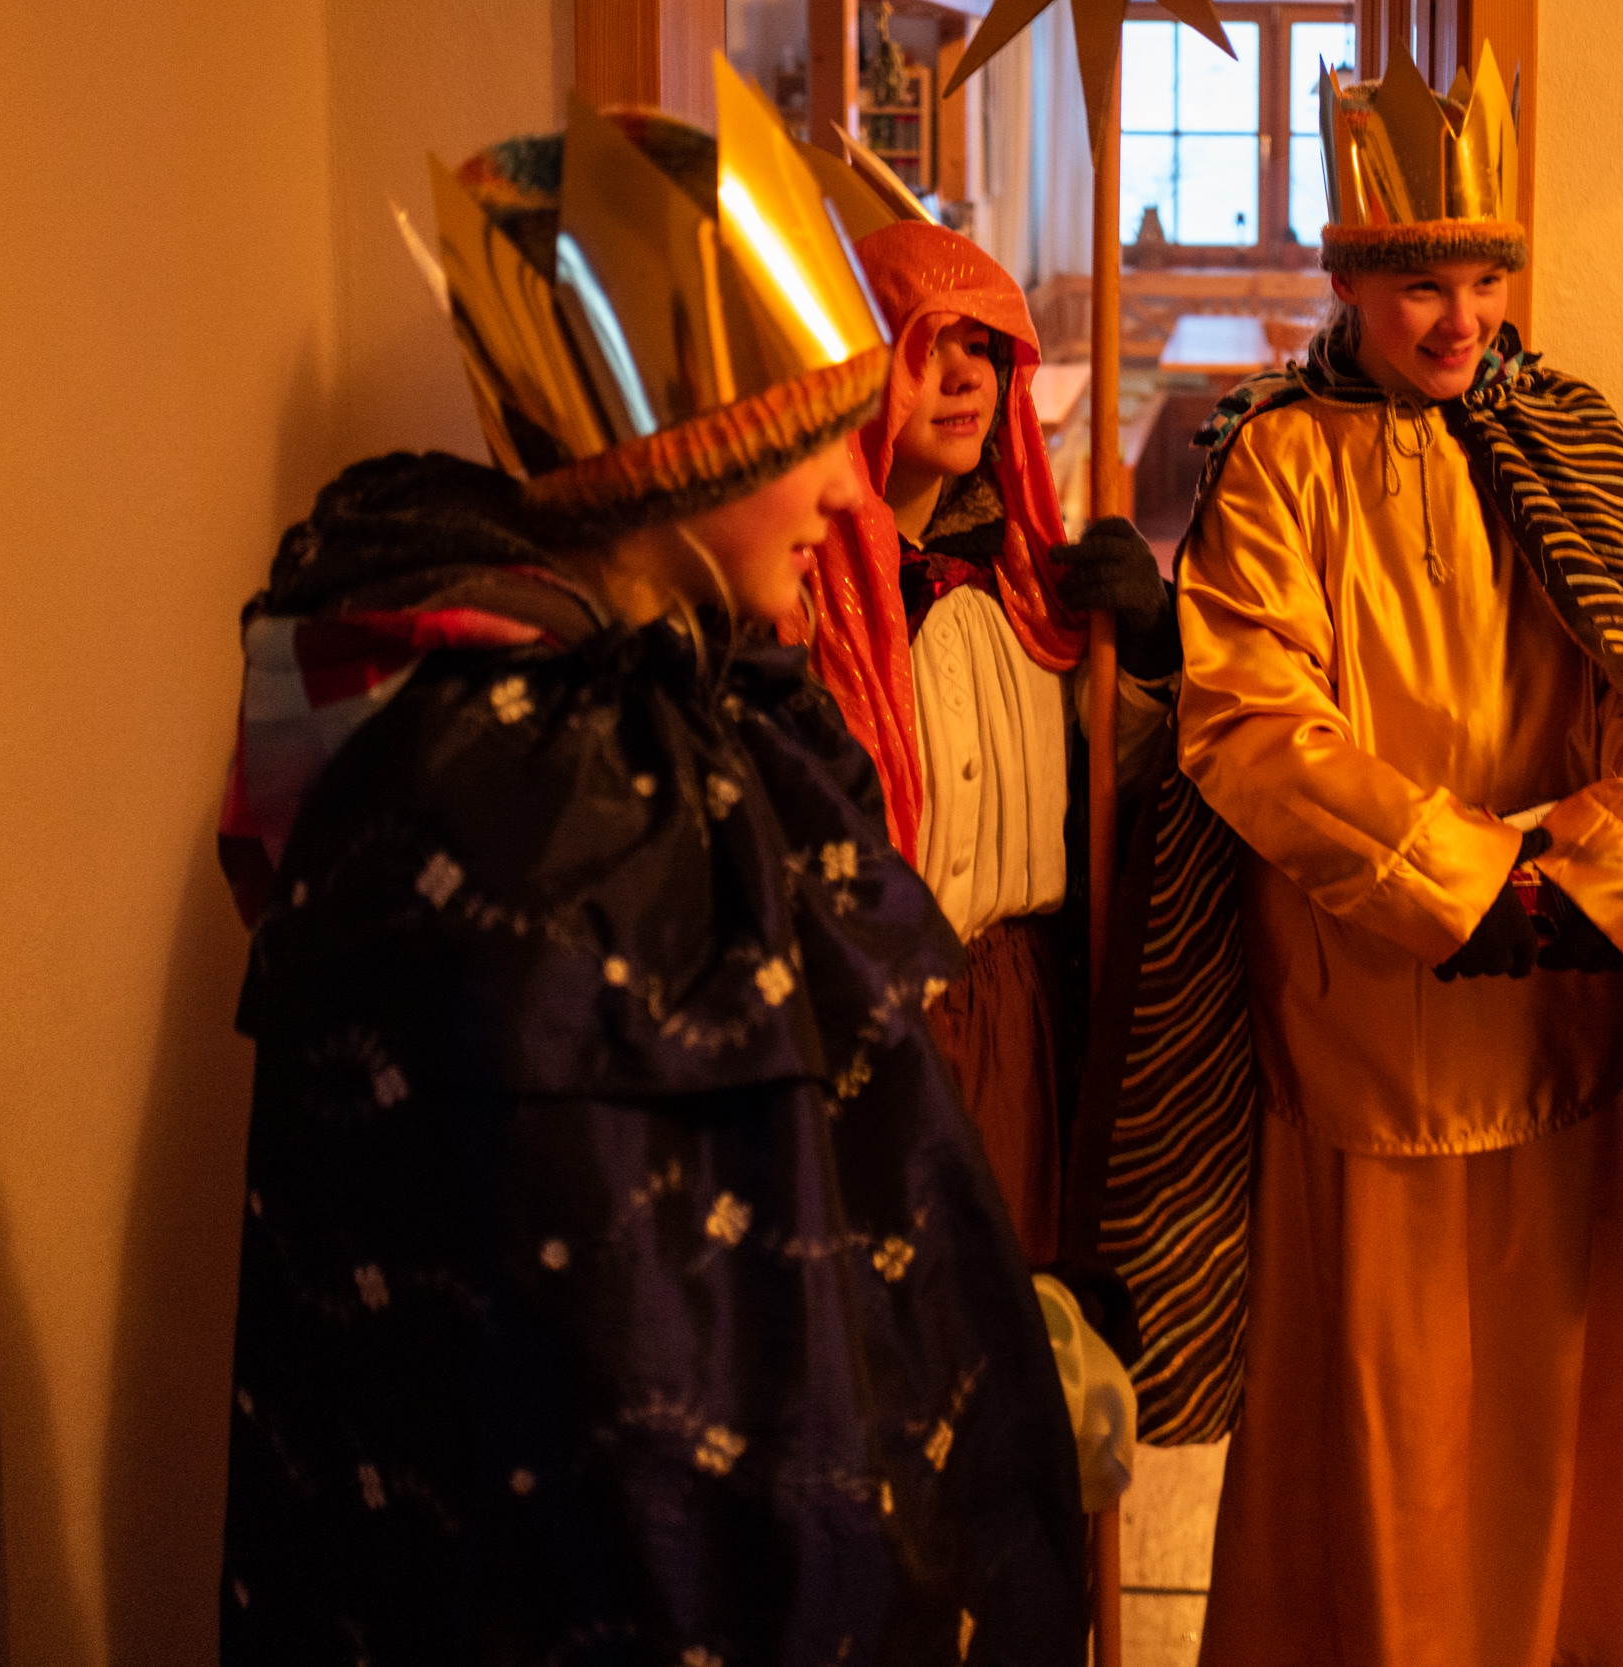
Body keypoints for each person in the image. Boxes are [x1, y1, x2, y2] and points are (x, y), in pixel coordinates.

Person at [212, 78, 1086, 1664]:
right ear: (694, 461)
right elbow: (630, 1359)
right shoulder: (530, 790)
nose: (851, 488)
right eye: (815, 443)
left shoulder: (661, 710)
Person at [1131, 48, 1623, 1667]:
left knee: (1556, 1402)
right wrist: (1459, 881)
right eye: (1424, 283)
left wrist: (1583, 878)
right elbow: (1248, 716)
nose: (1462, 319)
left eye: (1487, 279)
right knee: (1384, 1432)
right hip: (1365, 1022)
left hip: (1562, 1015)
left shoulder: (1565, 438)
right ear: (1350, 281)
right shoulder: (1276, 456)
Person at [787, 175, 1175, 1266]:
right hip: (876, 1010)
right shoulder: (812, 609)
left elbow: (1118, 780)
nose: (965, 376)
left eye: (983, 347)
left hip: (1022, 1012)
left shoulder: (1035, 590)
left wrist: (1148, 640)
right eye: (927, 347)